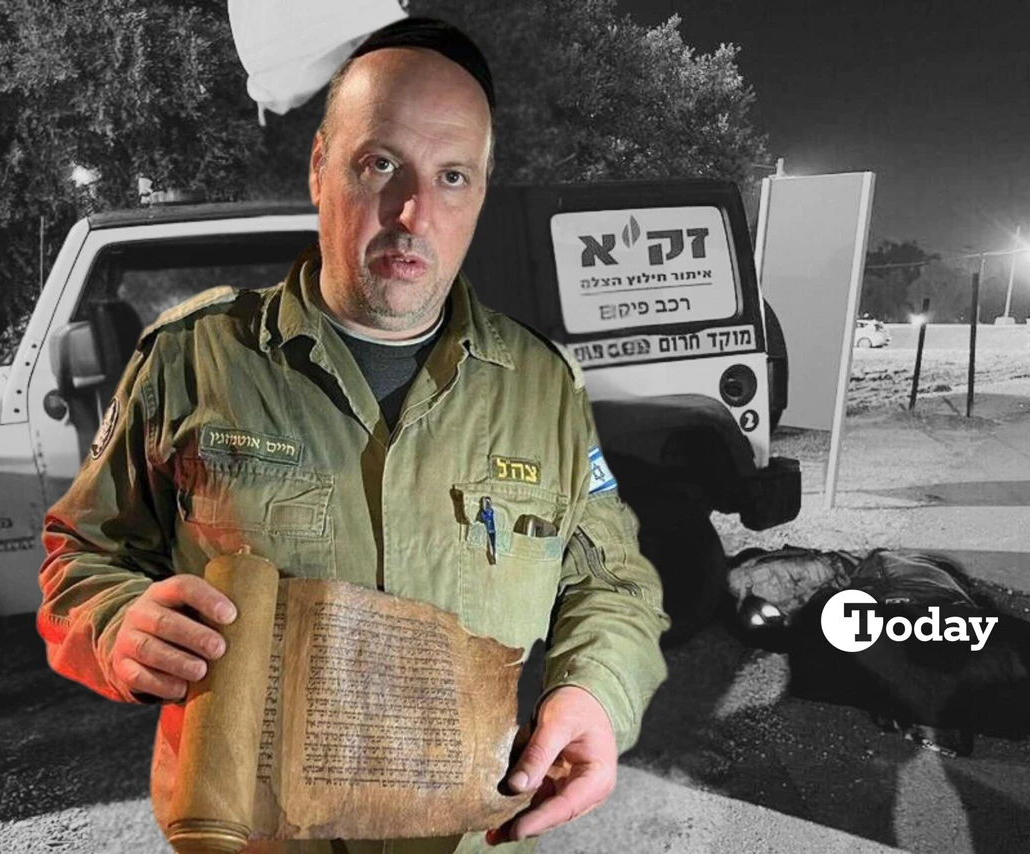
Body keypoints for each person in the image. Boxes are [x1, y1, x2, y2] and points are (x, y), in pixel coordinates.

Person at [38, 17, 669, 854]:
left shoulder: (541, 388)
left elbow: (613, 581)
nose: (414, 214)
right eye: (381, 165)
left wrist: (595, 691)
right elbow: (79, 556)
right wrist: (119, 623)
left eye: (453, 177)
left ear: (481, 192)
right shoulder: (194, 360)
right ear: (319, 168)